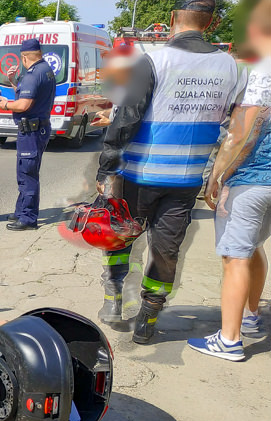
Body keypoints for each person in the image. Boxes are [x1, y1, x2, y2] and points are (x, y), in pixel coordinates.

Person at [95, 0, 241, 344]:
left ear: (173, 18)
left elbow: (127, 116)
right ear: (212, 23)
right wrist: (219, 176)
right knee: (166, 250)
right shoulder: (232, 68)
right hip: (186, 180)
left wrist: (106, 168)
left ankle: (114, 301)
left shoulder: (155, 60)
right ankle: (148, 318)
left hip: (138, 175)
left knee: (120, 237)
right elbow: (235, 127)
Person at [189, 0, 271, 361]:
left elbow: (241, 134)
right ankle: (250, 317)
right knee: (252, 248)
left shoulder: (265, 71)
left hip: (253, 180)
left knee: (235, 256)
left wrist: (217, 177)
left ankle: (229, 339)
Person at [0, 38, 57, 231]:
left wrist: (5, 104)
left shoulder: (33, 74)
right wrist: (14, 82)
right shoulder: (45, 70)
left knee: (27, 174)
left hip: (31, 131)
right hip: (37, 128)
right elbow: (27, 96)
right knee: (26, 172)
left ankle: (28, 217)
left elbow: (23, 104)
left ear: (24, 57)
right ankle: (21, 210)